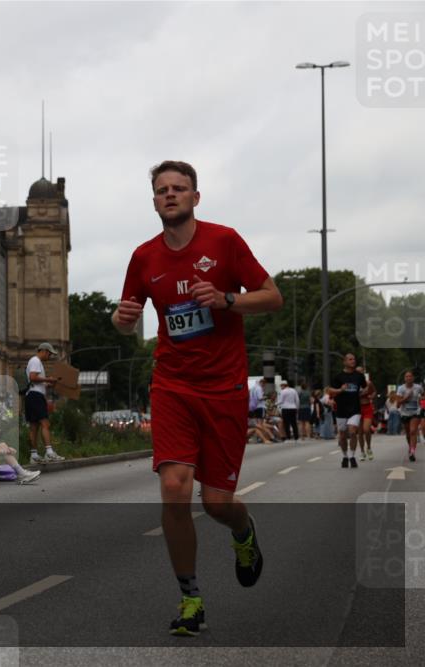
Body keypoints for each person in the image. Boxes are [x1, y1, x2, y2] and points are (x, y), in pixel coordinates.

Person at [111, 160, 283, 636]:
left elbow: (273, 297)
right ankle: (191, 598)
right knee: (174, 488)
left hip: (224, 387)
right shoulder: (144, 257)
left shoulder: (224, 242)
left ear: (194, 198)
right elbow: (125, 316)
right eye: (163, 189)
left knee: (217, 504)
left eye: (179, 188)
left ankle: (243, 533)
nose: (171, 195)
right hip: (172, 386)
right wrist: (121, 318)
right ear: (154, 201)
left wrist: (228, 300)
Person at [24, 343, 65, 464]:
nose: (50, 356)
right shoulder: (36, 361)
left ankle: (34, 455)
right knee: (45, 423)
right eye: (50, 354)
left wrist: (47, 383)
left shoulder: (34, 361)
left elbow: (34, 379)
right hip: (36, 396)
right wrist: (48, 379)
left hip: (32, 395)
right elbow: (32, 377)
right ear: (44, 351)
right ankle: (49, 452)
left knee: (34, 427)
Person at [325, 353, 367, 469]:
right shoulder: (338, 377)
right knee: (342, 435)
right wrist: (340, 390)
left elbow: (366, 387)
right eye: (350, 359)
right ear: (344, 362)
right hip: (341, 409)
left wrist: (365, 394)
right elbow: (329, 390)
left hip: (355, 409)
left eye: (354, 359)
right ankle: (344, 456)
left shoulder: (359, 376)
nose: (353, 361)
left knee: (353, 432)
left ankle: (352, 456)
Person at [395, 371, 423, 462]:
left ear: (413, 378)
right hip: (405, 413)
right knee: (408, 434)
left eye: (410, 376)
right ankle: (410, 447)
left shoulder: (418, 387)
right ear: (404, 379)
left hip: (416, 412)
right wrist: (406, 398)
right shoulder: (401, 389)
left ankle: (412, 452)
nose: (408, 378)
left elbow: (423, 395)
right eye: (406, 376)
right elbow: (398, 404)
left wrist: (422, 400)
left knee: (413, 431)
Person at [355, 367, 376, 461]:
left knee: (366, 429)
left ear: (363, 373)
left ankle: (369, 448)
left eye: (361, 372)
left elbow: (374, 391)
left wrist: (372, 396)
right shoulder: (353, 384)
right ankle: (362, 452)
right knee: (359, 432)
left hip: (367, 407)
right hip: (357, 408)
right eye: (357, 372)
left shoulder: (368, 383)